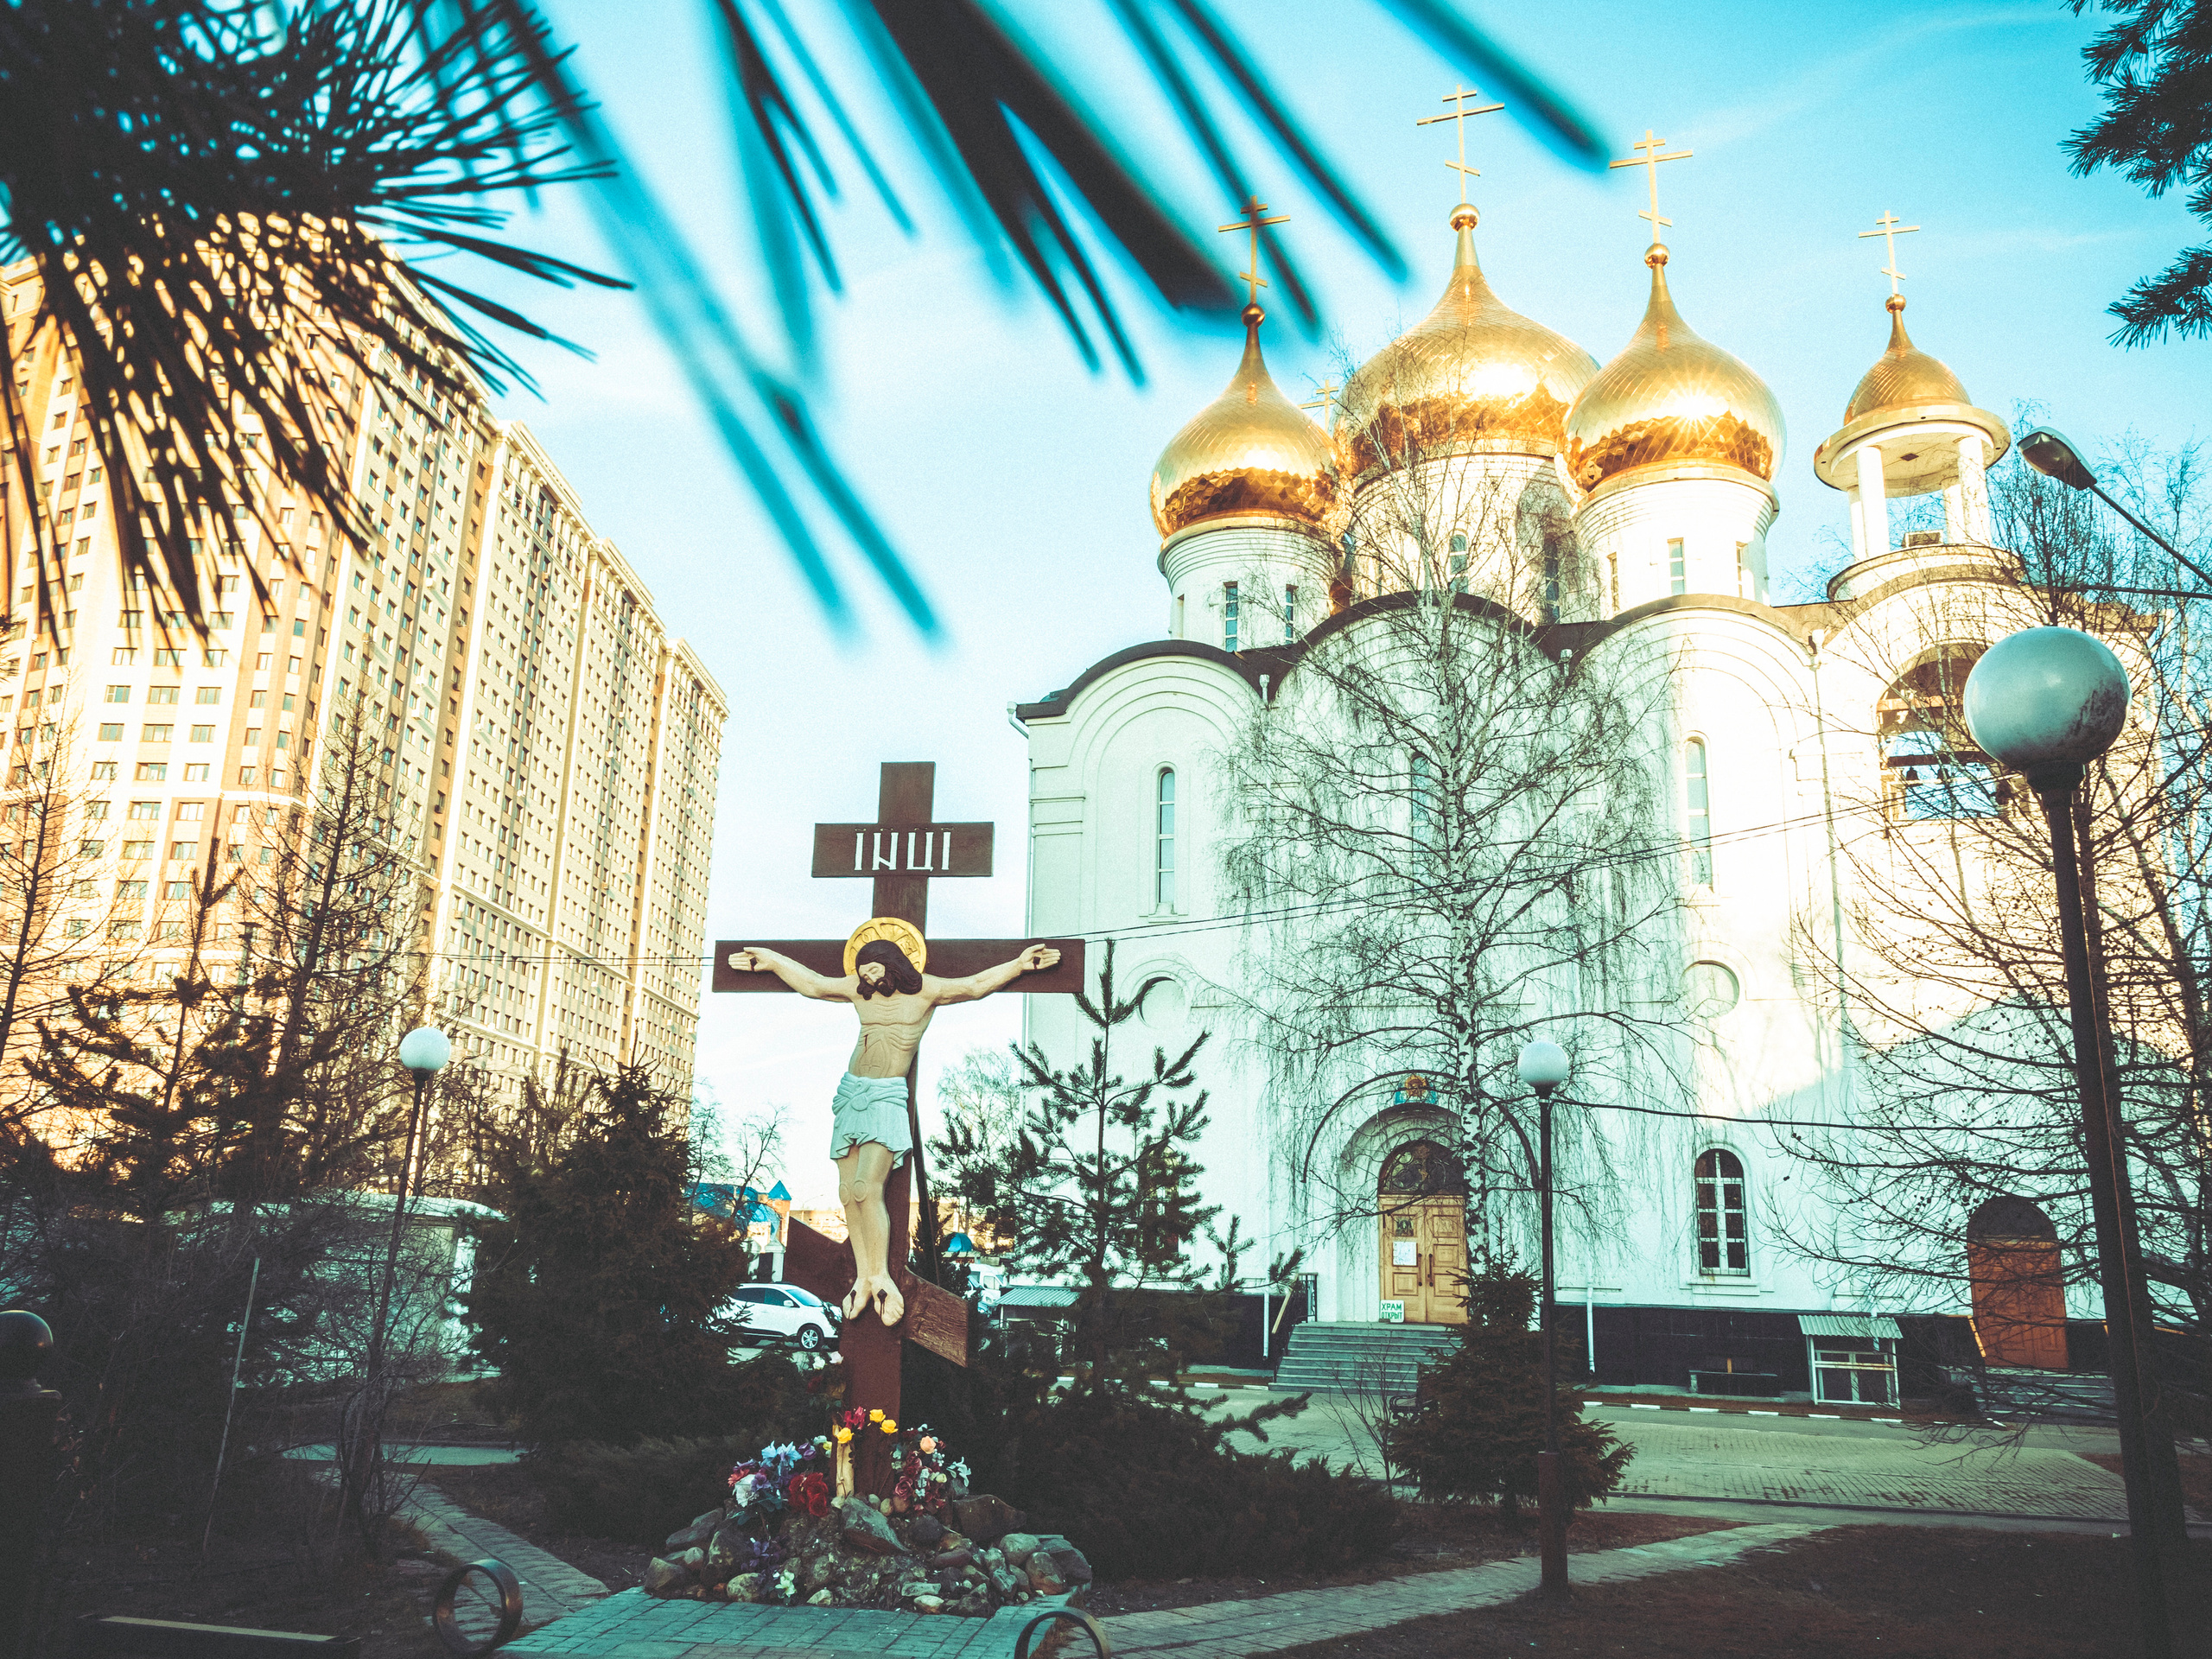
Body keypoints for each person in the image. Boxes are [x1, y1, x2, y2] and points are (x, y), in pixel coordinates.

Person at [726, 937, 1059, 1325]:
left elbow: (973, 986)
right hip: (851, 1092)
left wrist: (1018, 965)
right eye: (863, 970)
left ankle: (881, 1275)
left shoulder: (927, 990)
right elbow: (814, 984)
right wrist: (772, 960)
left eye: (873, 969)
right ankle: (864, 1278)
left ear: (893, 963)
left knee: (869, 1188)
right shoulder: (859, 991)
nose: (867, 976)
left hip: (886, 1095)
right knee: (847, 1192)